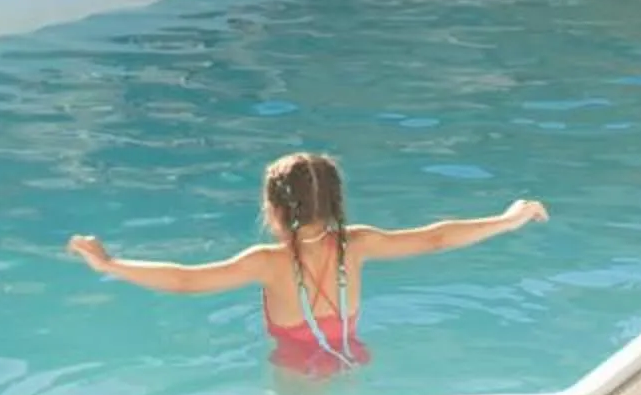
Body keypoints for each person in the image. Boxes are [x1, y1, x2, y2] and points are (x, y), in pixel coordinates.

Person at [66, 151, 549, 375]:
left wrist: (111, 265)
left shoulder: (267, 261)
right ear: (335, 203)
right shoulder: (357, 244)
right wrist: (507, 220)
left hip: (297, 369)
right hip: (355, 355)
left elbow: (186, 281)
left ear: (274, 209)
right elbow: (438, 238)